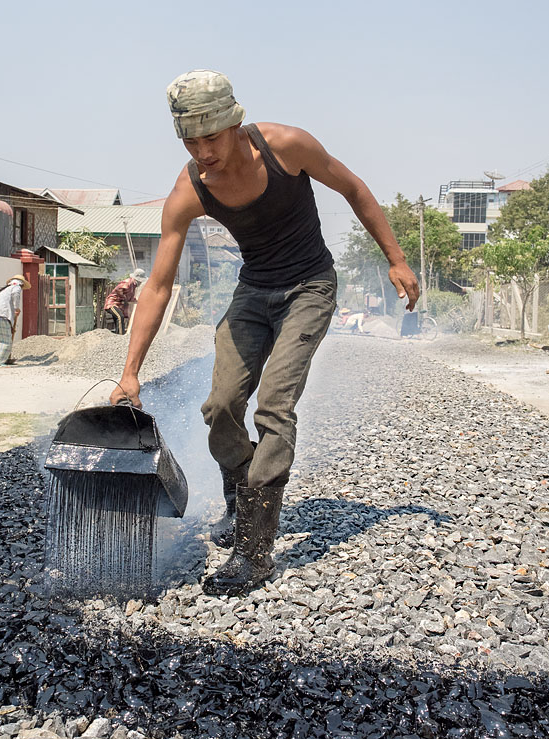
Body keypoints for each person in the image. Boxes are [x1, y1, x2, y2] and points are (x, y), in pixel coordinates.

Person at [110, 69, 419, 595]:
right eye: (190, 139)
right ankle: (242, 492)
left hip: (310, 287)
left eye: (211, 136)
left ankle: (255, 551)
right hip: (253, 292)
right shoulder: (190, 189)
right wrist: (130, 372)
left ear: (234, 123)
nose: (202, 150)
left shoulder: (285, 146)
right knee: (221, 405)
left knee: (273, 407)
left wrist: (396, 259)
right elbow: (158, 285)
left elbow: (354, 188)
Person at [0, 274, 31, 367]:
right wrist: (16, 309)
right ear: (21, 284)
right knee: (6, 341)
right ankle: (0, 362)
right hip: (2, 316)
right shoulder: (16, 287)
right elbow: (16, 294)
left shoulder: (4, 290)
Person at [104, 268, 147, 334]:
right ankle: (121, 336)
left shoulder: (134, 286)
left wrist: (139, 302)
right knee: (119, 317)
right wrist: (125, 299)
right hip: (112, 303)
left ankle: (118, 334)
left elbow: (131, 298)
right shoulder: (127, 283)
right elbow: (119, 291)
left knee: (119, 319)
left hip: (119, 305)